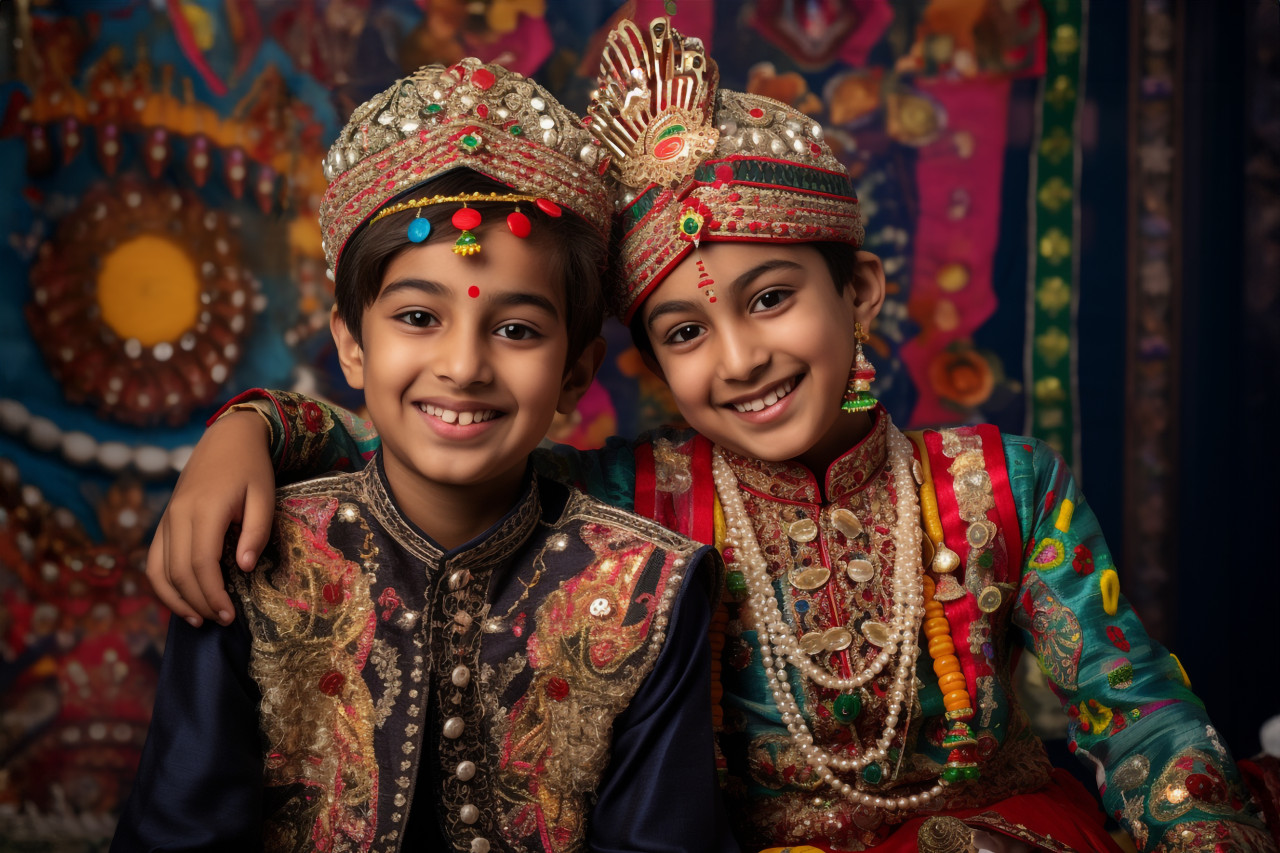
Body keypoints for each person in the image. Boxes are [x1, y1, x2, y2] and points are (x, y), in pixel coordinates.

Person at [143, 19, 1277, 853]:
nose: (737, 359)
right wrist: (252, 426)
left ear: (862, 291)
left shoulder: (999, 485)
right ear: (639, 362)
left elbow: (1142, 723)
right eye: (684, 329)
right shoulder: (630, 502)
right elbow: (437, 436)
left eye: (772, 297)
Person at [112, 57, 736, 853]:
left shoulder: (649, 587)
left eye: (517, 330)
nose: (465, 365)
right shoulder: (253, 552)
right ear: (351, 345)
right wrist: (246, 425)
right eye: (417, 316)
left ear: (576, 371)